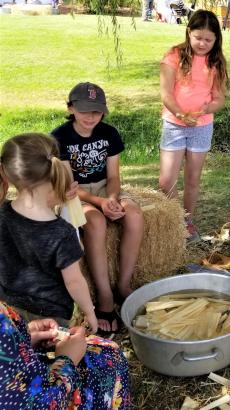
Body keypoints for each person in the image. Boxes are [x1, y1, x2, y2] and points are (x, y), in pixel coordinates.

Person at [52, 82, 144, 334]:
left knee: (134, 214)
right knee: (95, 221)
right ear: (70, 109)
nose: (91, 116)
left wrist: (111, 198)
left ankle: (123, 285)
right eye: (84, 110)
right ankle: (104, 296)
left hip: (105, 187)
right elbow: (68, 184)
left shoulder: (109, 134)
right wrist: (100, 205)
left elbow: (114, 176)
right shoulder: (59, 137)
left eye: (97, 111)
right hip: (74, 192)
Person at [0, 133, 98, 334]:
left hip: (8, 315)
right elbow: (74, 281)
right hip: (51, 321)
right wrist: (89, 312)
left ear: (7, 174)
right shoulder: (62, 232)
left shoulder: (2, 214)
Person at [159, 10, 228, 241]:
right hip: (174, 124)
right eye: (198, 37)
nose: (202, 43)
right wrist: (179, 113)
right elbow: (165, 93)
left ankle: (187, 221)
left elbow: (219, 98)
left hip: (201, 126)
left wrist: (208, 108)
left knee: (192, 178)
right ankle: (173, 218)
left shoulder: (216, 61)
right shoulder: (174, 56)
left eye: (209, 39)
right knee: (166, 180)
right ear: (189, 32)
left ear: (216, 39)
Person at [0, 301, 130, 409]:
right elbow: (43, 404)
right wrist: (67, 362)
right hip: (57, 392)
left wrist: (25, 337)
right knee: (111, 358)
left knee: (102, 348)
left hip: (33, 367)